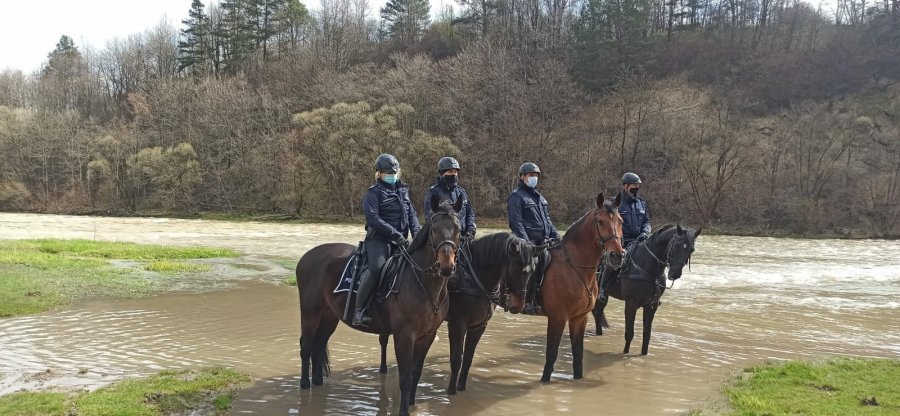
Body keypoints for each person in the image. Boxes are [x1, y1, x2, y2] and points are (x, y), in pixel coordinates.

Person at [354, 153, 421, 326]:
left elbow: (412, 215)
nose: (391, 176)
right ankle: (359, 311)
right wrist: (396, 235)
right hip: (380, 241)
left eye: (394, 173)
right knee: (377, 269)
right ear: (379, 174)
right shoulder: (373, 194)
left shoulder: (403, 191)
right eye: (387, 173)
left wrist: (418, 235)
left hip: (402, 241)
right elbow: (374, 220)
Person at [507, 162, 560, 313]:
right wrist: (526, 242)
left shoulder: (540, 198)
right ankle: (529, 302)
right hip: (526, 242)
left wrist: (556, 236)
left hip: (543, 241)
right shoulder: (516, 196)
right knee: (532, 265)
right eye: (531, 175)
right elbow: (515, 222)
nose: (534, 178)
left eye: (536, 175)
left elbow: (547, 222)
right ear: (522, 177)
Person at [598, 172, 652, 304]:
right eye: (634, 185)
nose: (637, 188)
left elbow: (647, 222)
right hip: (622, 240)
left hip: (641, 240)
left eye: (638, 185)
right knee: (613, 260)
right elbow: (611, 222)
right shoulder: (614, 203)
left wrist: (645, 233)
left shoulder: (641, 204)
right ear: (626, 186)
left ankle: (653, 293)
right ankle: (602, 290)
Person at [423, 157, 476, 239]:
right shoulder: (433, 192)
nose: (454, 174)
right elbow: (429, 217)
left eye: (455, 171)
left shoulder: (461, 192)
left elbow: (469, 213)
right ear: (442, 173)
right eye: (450, 171)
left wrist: (470, 230)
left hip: (464, 237)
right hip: (445, 239)